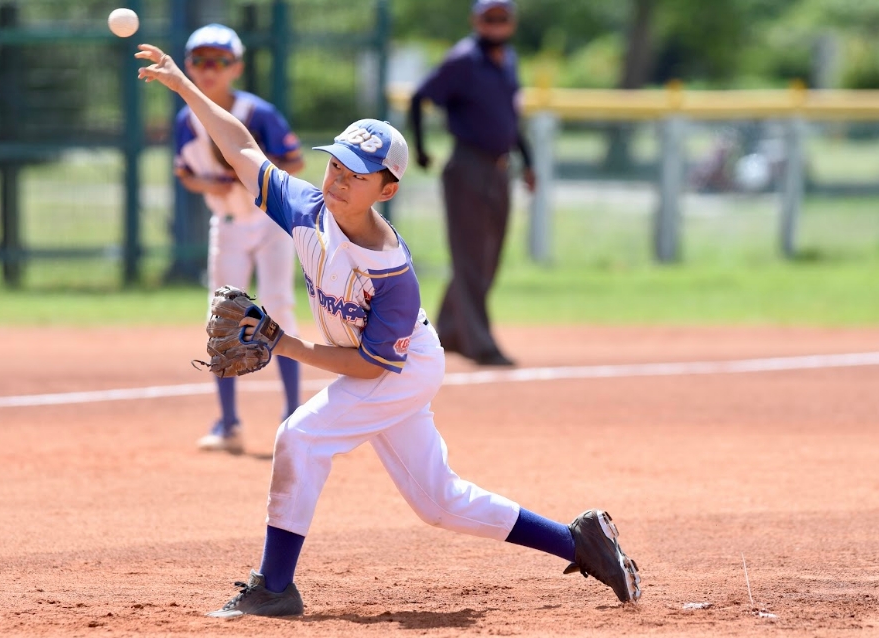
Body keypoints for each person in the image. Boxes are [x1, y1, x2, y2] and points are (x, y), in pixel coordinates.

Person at [137, 43, 641, 618]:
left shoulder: (392, 275)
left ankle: (275, 587)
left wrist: (286, 344)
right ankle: (579, 543)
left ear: (388, 189)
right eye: (335, 165)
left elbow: (371, 368)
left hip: (401, 367)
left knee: (300, 438)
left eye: (357, 173)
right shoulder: (306, 209)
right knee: (439, 502)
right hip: (380, 364)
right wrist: (183, 86)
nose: (338, 179)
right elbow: (242, 146)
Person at [172, 24, 305, 454]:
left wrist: (251, 171)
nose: (209, 69)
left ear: (237, 67)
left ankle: (294, 418)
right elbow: (185, 174)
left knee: (279, 305)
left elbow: (295, 161)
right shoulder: (186, 119)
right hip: (227, 223)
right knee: (224, 315)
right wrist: (210, 183)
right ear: (188, 66)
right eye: (200, 61)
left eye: (219, 61)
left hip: (269, 222)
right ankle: (228, 423)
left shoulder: (256, 113)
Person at [409, 0, 536, 367]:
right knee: (469, 258)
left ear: (511, 22)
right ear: (476, 21)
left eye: (502, 18)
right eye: (489, 18)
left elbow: (512, 120)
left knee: (487, 258)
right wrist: (420, 149)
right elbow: (420, 97)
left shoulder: (507, 60)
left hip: (500, 168)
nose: (496, 24)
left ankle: (450, 331)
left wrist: (528, 163)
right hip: (467, 166)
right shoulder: (463, 60)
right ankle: (481, 344)